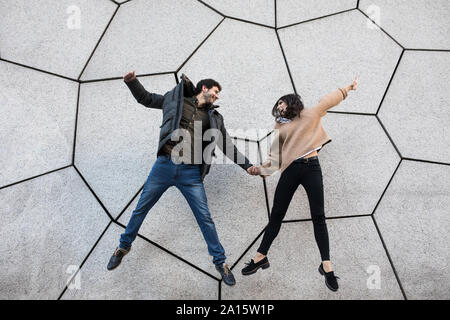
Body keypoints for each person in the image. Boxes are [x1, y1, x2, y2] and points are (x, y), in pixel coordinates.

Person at [107, 71, 254, 286]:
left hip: (191, 173)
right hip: (164, 165)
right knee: (141, 208)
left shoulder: (214, 118)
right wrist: (132, 82)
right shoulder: (174, 100)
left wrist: (247, 165)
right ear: (204, 88)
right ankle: (123, 246)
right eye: (215, 91)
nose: (217, 96)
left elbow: (226, 145)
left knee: (205, 219)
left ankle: (220, 262)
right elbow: (146, 99)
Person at [244, 77, 358, 292]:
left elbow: (327, 101)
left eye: (282, 102)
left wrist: (347, 89)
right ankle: (260, 257)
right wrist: (259, 170)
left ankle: (327, 266)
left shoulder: (309, 114)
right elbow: (274, 159)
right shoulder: (279, 127)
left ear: (291, 102)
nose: (279, 106)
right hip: (291, 170)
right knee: (276, 215)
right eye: (277, 104)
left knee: (319, 216)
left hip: (312, 167)